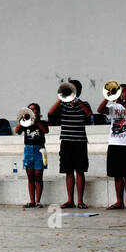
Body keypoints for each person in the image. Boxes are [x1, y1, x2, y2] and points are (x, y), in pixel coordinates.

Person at [49, 80, 92, 209]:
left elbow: (89, 114)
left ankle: (80, 200)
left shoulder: (84, 104)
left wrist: (77, 100)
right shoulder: (63, 105)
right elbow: (51, 113)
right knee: (68, 171)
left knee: (80, 171)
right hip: (66, 141)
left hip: (80, 141)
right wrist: (61, 98)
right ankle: (70, 200)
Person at [99, 86, 126, 210]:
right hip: (114, 144)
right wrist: (108, 97)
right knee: (117, 175)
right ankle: (119, 202)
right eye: (121, 91)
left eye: (125, 91)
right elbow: (100, 110)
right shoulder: (113, 107)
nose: (123, 93)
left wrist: (122, 103)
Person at [19, 103, 50, 208]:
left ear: (38, 111)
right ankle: (31, 201)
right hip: (28, 149)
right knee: (30, 177)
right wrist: (22, 119)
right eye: (30, 109)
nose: (32, 111)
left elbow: (45, 130)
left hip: (39, 149)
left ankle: (38, 201)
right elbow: (17, 131)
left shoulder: (42, 122)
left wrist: (36, 120)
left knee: (38, 176)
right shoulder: (25, 122)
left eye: (34, 109)